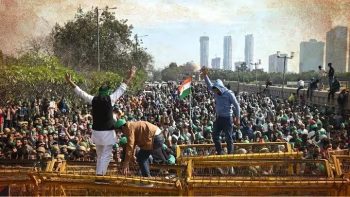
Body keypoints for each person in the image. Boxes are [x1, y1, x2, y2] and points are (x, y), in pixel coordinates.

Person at [65, 66, 136, 176]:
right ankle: (100, 176)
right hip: (107, 133)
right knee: (106, 155)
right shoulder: (110, 99)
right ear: (107, 92)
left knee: (100, 155)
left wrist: (70, 82)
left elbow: (80, 92)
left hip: (96, 133)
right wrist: (130, 76)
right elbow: (122, 88)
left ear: (99, 92)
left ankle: (99, 173)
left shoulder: (93, 99)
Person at [200, 67, 240, 155]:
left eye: (216, 90)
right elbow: (209, 85)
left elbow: (237, 106)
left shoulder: (229, 93)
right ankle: (220, 152)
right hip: (218, 118)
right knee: (214, 135)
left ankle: (230, 154)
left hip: (227, 118)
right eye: (214, 90)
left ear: (221, 88)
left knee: (228, 138)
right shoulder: (215, 90)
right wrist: (205, 75)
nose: (215, 92)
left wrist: (238, 118)